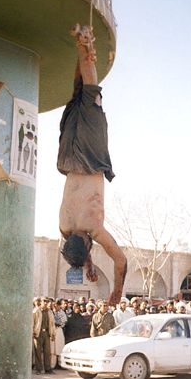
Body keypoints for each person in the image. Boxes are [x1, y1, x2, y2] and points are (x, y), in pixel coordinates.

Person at [58, 25, 127, 305]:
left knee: (89, 95)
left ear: (88, 244)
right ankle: (79, 44)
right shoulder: (63, 227)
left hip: (90, 156)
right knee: (77, 96)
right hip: (67, 158)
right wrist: (86, 263)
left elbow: (121, 261)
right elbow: (77, 241)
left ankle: (85, 40)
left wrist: (117, 293)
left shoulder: (94, 229)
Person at [32, 297, 56, 375]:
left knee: (47, 352)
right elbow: (32, 322)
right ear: (41, 302)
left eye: (47, 301)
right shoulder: (36, 311)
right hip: (38, 333)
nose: (46, 303)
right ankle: (38, 369)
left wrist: (53, 334)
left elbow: (52, 324)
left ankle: (48, 368)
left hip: (46, 333)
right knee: (37, 351)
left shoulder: (50, 312)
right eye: (44, 301)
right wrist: (33, 332)